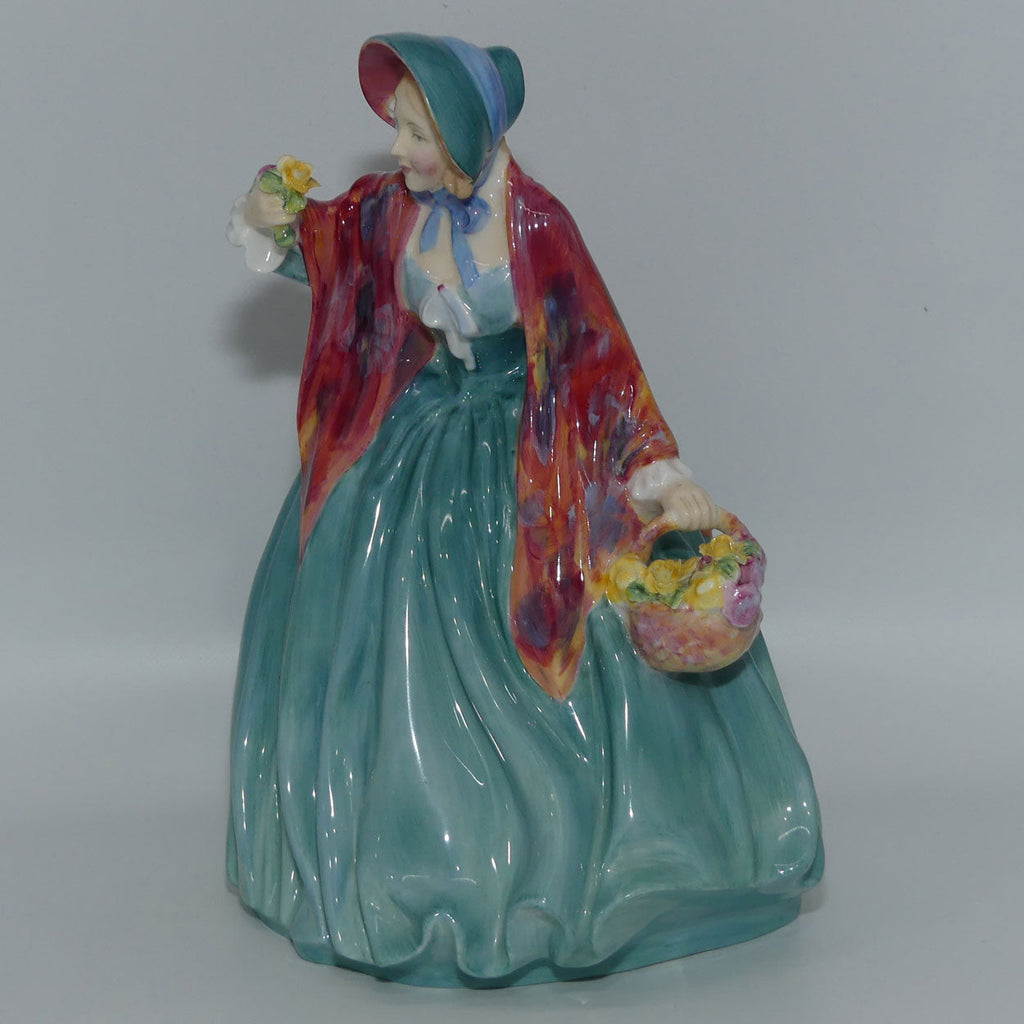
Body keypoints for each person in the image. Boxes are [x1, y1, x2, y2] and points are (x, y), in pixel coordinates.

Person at [227, 33, 822, 987]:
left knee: (563, 632)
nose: (399, 150)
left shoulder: (538, 224)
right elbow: (334, 249)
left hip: (528, 445)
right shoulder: (391, 207)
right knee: (364, 606)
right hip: (421, 434)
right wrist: (275, 218)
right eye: (398, 129)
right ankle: (401, 839)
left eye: (418, 134)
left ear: (467, 134)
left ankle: (594, 860)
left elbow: (600, 360)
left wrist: (657, 471)